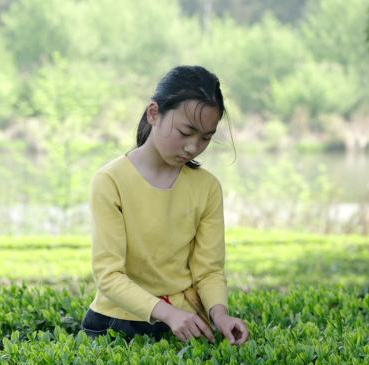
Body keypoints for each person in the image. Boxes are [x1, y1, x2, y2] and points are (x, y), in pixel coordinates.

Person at [80, 65, 249, 345]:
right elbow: (109, 276)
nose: (193, 147)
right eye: (185, 132)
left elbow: (208, 270)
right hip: (117, 322)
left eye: (205, 137)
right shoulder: (110, 181)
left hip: (187, 321)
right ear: (154, 113)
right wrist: (168, 314)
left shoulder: (207, 187)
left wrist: (220, 315)